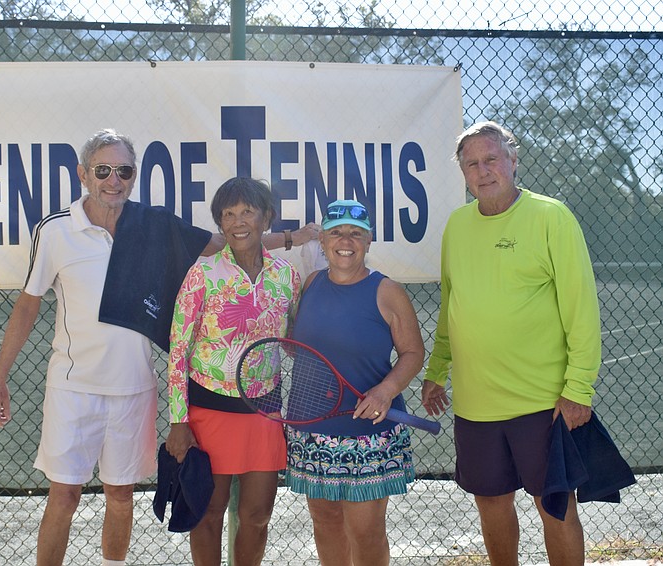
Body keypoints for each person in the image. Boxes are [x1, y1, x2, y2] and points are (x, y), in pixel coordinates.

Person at [0, 130, 318, 566]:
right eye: (103, 170)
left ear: (134, 176)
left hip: (135, 388)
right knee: (64, 497)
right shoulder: (55, 231)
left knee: (121, 497)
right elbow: (28, 305)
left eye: (123, 171)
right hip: (72, 388)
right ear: (84, 175)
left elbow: (230, 243)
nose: (113, 180)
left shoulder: (155, 224)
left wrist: (294, 239)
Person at [421, 121, 601, 566]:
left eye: (491, 159)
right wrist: (435, 371)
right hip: (475, 406)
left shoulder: (551, 216)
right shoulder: (457, 227)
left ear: (513, 161)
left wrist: (578, 389)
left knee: (555, 506)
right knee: (492, 504)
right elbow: (451, 305)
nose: (483, 171)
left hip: (543, 402)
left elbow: (582, 310)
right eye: (472, 164)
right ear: (462, 173)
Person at [165, 177, 302, 566]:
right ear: (220, 224)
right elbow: (178, 352)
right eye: (228, 214)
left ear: (267, 218)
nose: (238, 222)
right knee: (207, 516)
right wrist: (178, 421)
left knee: (257, 518)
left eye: (247, 212)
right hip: (208, 416)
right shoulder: (202, 275)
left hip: (264, 413)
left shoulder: (286, 277)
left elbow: (292, 343)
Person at [283, 199, 425, 566]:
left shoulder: (386, 290)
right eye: (336, 232)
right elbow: (301, 346)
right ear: (323, 241)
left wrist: (385, 390)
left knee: (366, 532)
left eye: (355, 233)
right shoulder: (311, 283)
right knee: (325, 521)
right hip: (311, 429)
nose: (345, 240)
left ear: (369, 241)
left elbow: (412, 353)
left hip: (368, 432)